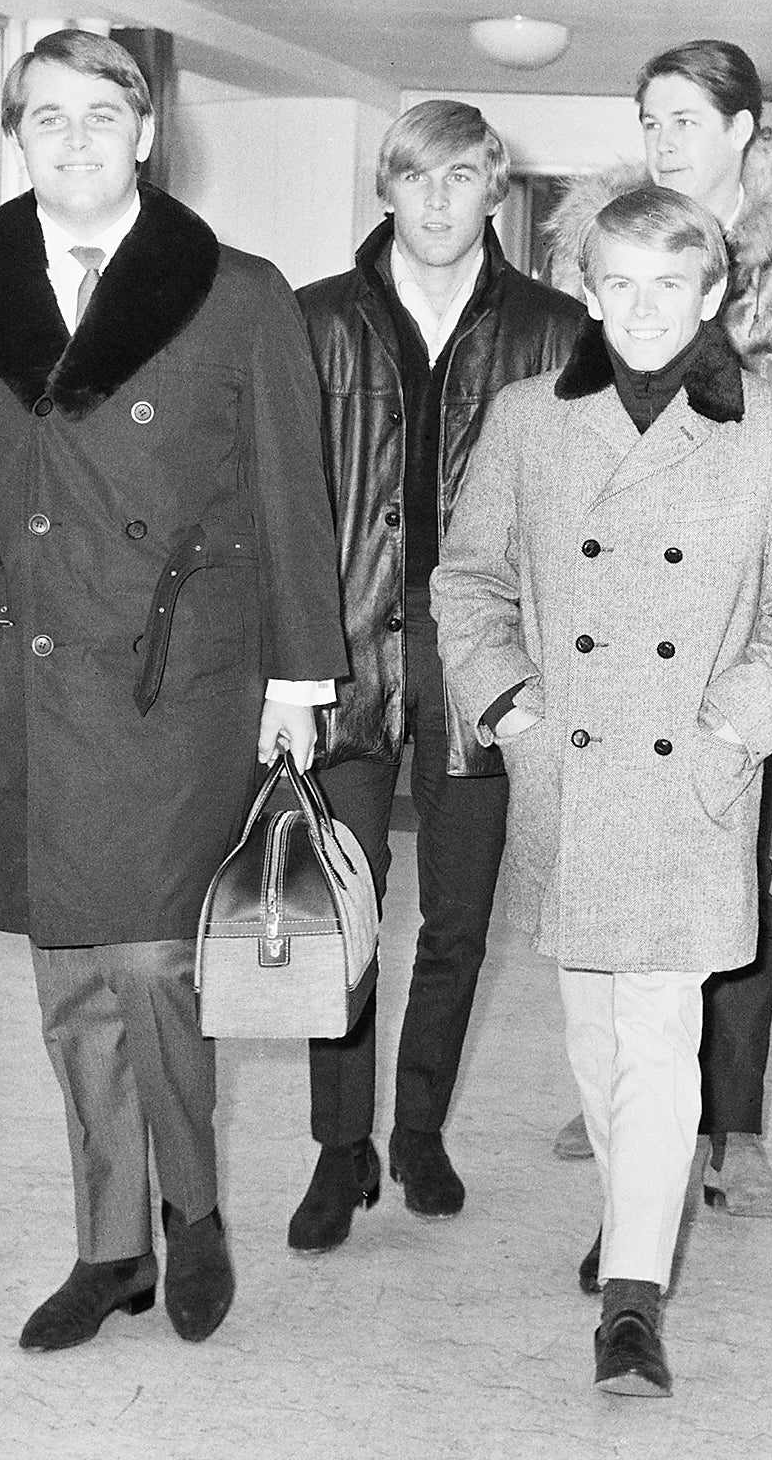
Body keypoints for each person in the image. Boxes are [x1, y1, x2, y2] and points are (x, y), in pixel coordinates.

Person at [0, 30, 347, 1352]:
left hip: (185, 678)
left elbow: (295, 498)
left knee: (153, 958)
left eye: (98, 116)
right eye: (43, 118)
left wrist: (300, 681)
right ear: (16, 135)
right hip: (26, 670)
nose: (71, 140)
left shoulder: (235, 292)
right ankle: (111, 1246)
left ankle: (197, 1213)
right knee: (69, 978)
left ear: (145, 131)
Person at [434, 187, 772, 1396]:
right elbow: (465, 580)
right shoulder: (529, 419)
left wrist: (736, 724)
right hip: (564, 768)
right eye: (616, 282)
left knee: (659, 1039)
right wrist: (510, 707)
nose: (639, 310)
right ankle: (638, 1203)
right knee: (590, 1026)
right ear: (584, 285)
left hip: (690, 776)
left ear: (714, 293)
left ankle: (632, 1297)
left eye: (668, 285)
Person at [539, 38, 772, 1218]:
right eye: (648, 118)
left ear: (741, 130)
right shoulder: (598, 251)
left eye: (683, 118)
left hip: (725, 623)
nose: (661, 138)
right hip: (596, 630)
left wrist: (731, 467)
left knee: (731, 875)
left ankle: (729, 1124)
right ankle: (624, 1099)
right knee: (589, 865)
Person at [285, 100, 583, 1252]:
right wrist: (285, 667)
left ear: (494, 189)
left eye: (462, 179)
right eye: (416, 179)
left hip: (481, 654)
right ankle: (335, 1149)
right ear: (386, 188)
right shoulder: (310, 322)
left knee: (456, 916)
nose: (438, 202)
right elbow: (277, 503)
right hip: (345, 648)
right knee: (340, 915)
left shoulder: (557, 332)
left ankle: (416, 1129)